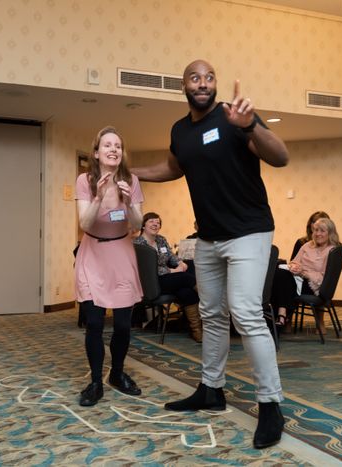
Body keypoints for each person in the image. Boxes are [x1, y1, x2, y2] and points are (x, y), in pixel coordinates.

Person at [132, 59, 289, 449]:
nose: (202, 83)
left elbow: (281, 156)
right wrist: (130, 174)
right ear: (183, 86)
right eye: (194, 77)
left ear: (216, 84)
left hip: (250, 232)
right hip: (209, 238)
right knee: (211, 314)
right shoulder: (180, 130)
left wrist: (251, 125)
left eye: (209, 77)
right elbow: (173, 166)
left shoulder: (233, 117)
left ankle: (271, 404)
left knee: (247, 313)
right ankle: (211, 389)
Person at [74, 126, 145, 407]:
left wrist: (128, 203)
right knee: (93, 322)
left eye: (118, 145)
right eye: (107, 145)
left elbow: (138, 225)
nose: (113, 149)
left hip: (121, 253)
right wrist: (97, 197)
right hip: (92, 253)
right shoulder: (86, 180)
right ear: (96, 152)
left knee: (124, 325)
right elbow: (84, 223)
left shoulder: (132, 180)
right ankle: (94, 382)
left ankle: (116, 373)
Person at [133, 212, 202, 342]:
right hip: (151, 283)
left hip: (167, 280)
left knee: (187, 292)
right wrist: (172, 270)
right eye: (151, 221)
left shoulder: (161, 239)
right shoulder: (138, 244)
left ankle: (197, 331)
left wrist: (180, 262)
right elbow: (147, 269)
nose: (155, 224)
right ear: (143, 225)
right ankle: (209, 299)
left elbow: (170, 256)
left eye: (158, 222)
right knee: (185, 278)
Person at [272, 218, 341, 335]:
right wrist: (294, 267)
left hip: (314, 286)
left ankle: (281, 316)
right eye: (316, 230)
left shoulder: (332, 251)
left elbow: (324, 277)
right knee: (279, 271)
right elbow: (294, 261)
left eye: (322, 231)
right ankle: (282, 314)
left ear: (330, 233)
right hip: (297, 279)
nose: (318, 234)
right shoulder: (307, 245)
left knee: (283, 279)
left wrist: (303, 272)